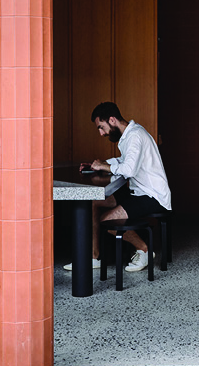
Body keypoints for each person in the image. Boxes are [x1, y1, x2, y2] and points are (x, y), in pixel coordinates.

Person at [65, 101, 172, 273]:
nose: (101, 133)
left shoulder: (135, 136)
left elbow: (129, 170)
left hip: (152, 196)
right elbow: (124, 161)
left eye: (101, 127)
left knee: (106, 220)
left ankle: (143, 249)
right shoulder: (129, 135)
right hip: (138, 192)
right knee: (94, 202)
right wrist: (99, 164)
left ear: (112, 120)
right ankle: (94, 257)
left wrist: (104, 167)